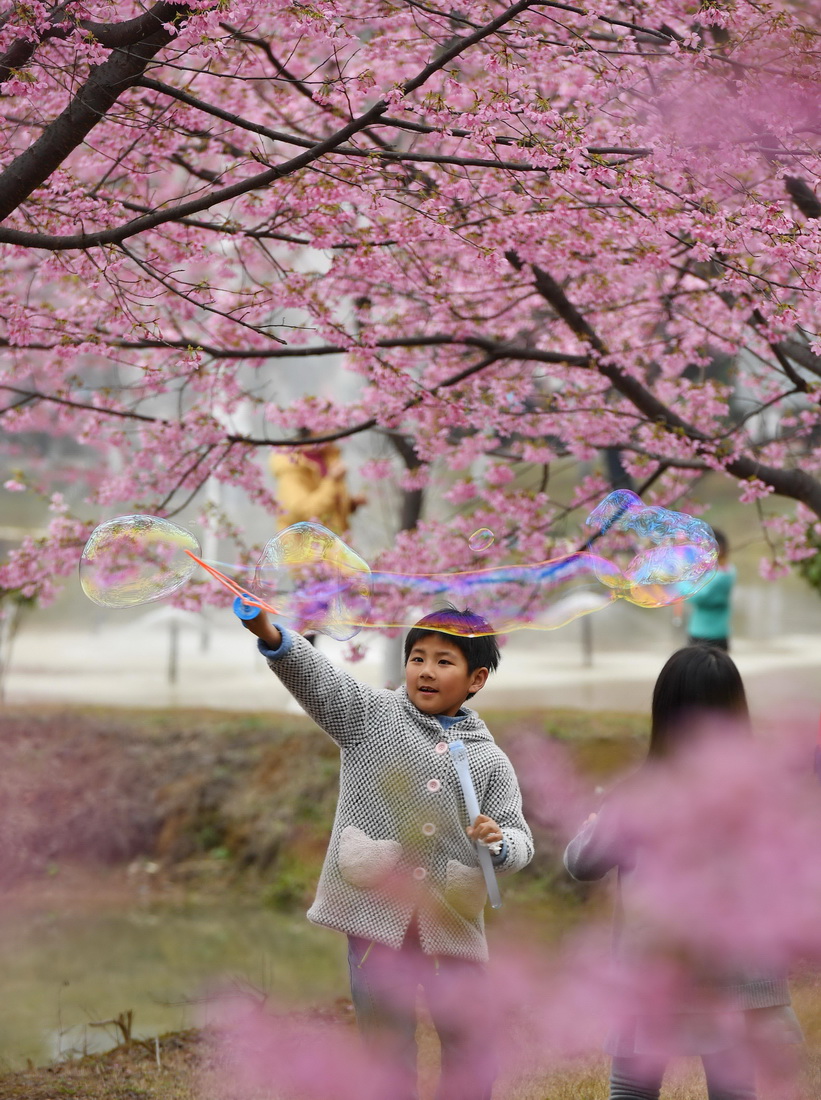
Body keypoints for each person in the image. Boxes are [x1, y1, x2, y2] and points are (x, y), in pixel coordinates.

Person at [240, 602, 534, 1100]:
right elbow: (320, 680)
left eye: (445, 661)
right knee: (385, 1049)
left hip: (451, 926)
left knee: (469, 1050)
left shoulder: (490, 759)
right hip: (376, 920)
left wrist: (500, 843)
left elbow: (519, 837)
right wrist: (271, 634)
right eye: (418, 657)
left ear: (476, 678)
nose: (426, 670)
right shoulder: (370, 717)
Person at [564, 645, 802, 1100]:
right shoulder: (761, 799)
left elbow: (581, 864)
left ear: (664, 713)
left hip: (655, 968)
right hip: (742, 973)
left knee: (634, 1088)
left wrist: (594, 822)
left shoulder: (639, 795)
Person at [269, 436, 365, 535]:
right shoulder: (290, 467)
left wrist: (349, 504)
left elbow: (327, 503)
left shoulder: (327, 456)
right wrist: (332, 480)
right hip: (307, 545)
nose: (335, 431)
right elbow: (301, 514)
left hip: (333, 540)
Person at [686, 528, 736, 651]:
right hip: (712, 632)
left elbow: (697, 596)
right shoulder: (728, 570)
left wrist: (679, 580)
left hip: (706, 634)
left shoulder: (723, 575)